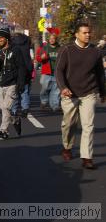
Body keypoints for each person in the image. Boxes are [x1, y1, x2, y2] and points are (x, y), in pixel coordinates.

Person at [56, 23, 105, 170]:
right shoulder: (67, 50)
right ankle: (67, 147)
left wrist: (103, 92)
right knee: (69, 124)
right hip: (70, 93)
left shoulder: (95, 52)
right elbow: (59, 71)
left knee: (88, 126)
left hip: (89, 92)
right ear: (76, 34)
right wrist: (63, 88)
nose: (88, 35)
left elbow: (100, 74)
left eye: (89, 32)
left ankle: (87, 157)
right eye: (84, 33)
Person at [0, 28, 26, 140]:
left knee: (6, 107)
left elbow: (21, 67)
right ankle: (15, 120)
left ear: (7, 39)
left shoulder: (15, 50)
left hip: (13, 83)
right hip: (2, 83)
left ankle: (3, 131)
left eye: (1, 38)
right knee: (2, 107)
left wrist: (21, 83)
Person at [10, 32, 34, 117]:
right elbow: (30, 57)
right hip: (27, 68)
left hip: (16, 69)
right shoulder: (27, 41)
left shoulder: (12, 43)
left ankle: (14, 110)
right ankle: (25, 108)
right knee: (25, 90)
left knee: (14, 90)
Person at [36, 33, 61, 112]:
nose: (52, 40)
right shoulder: (44, 48)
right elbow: (38, 58)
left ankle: (55, 105)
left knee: (56, 90)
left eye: (53, 38)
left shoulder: (60, 48)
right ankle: (44, 101)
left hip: (57, 72)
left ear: (56, 39)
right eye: (50, 38)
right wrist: (41, 58)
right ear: (48, 39)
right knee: (45, 88)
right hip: (46, 72)